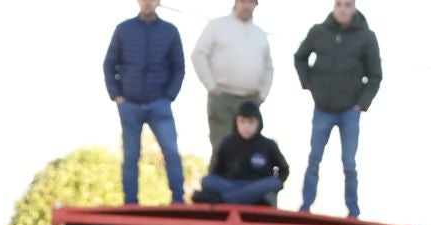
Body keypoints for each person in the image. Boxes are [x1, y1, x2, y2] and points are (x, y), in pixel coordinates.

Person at [292, 0, 381, 218]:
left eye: (347, 5)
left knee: (349, 163)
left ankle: (353, 211)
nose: (343, 9)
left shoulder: (367, 37)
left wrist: (362, 104)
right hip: (322, 108)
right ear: (334, 6)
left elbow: (375, 76)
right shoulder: (319, 31)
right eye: (339, 4)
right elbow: (300, 57)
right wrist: (308, 83)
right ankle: (305, 207)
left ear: (354, 8)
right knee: (314, 159)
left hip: (350, 110)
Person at [104, 0, 187, 205]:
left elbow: (179, 67)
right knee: (131, 156)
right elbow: (109, 64)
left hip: (159, 103)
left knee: (171, 152)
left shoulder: (170, 31)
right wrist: (117, 96)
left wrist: (169, 95)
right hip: (129, 104)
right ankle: (130, 202)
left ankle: (178, 199)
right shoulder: (123, 30)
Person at [191, 0, 274, 149]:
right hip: (222, 98)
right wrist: (211, 85)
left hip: (250, 99)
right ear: (236, 3)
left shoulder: (259, 34)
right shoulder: (217, 26)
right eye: (243, 1)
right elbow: (198, 55)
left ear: (255, 5)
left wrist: (262, 94)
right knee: (222, 148)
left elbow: (269, 67)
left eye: (250, 2)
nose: (246, 6)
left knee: (247, 151)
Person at [193, 100, 291, 206]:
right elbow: (215, 172)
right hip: (230, 184)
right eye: (242, 122)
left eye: (251, 122)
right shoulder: (227, 142)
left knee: (274, 182)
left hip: (257, 186)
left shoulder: (268, 144)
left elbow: (284, 170)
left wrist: (272, 184)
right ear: (236, 122)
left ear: (258, 122)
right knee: (207, 180)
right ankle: (251, 200)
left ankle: (222, 200)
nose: (246, 126)